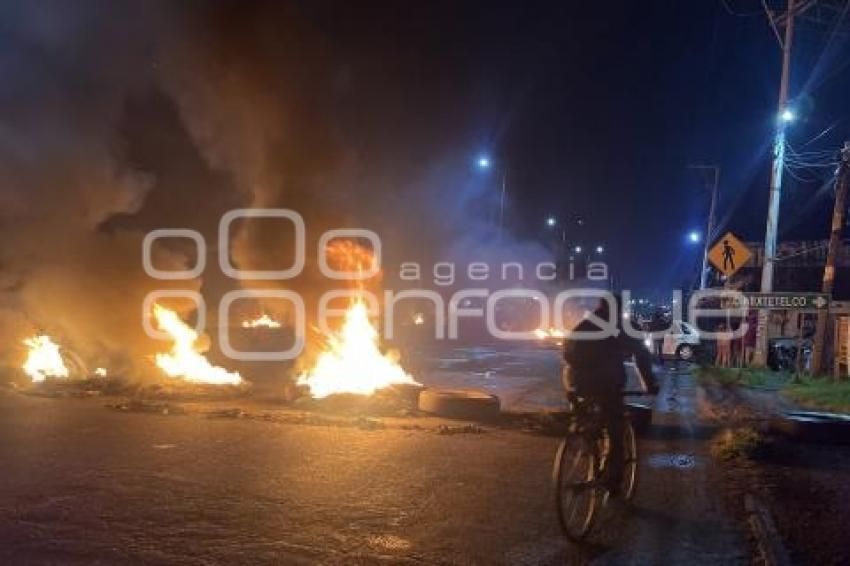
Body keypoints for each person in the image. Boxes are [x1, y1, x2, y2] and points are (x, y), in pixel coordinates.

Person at [562, 295, 659, 497]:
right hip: (607, 384)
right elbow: (641, 354)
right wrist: (649, 384)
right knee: (615, 429)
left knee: (586, 414)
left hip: (577, 383)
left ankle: (585, 430)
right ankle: (611, 478)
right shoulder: (623, 326)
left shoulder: (584, 324)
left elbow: (567, 355)